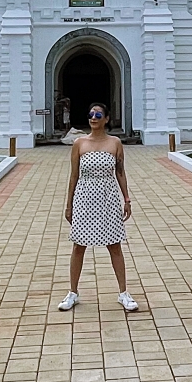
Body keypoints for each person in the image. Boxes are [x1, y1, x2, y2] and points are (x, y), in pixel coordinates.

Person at [58, 102, 137, 312]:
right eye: (91, 114)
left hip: (108, 198)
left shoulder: (115, 143)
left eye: (98, 114)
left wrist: (126, 199)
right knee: (78, 246)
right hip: (84, 198)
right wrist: (69, 205)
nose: (93, 118)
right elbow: (74, 176)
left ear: (106, 119)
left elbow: (120, 172)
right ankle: (72, 292)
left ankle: (123, 293)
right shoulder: (79, 143)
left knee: (114, 245)